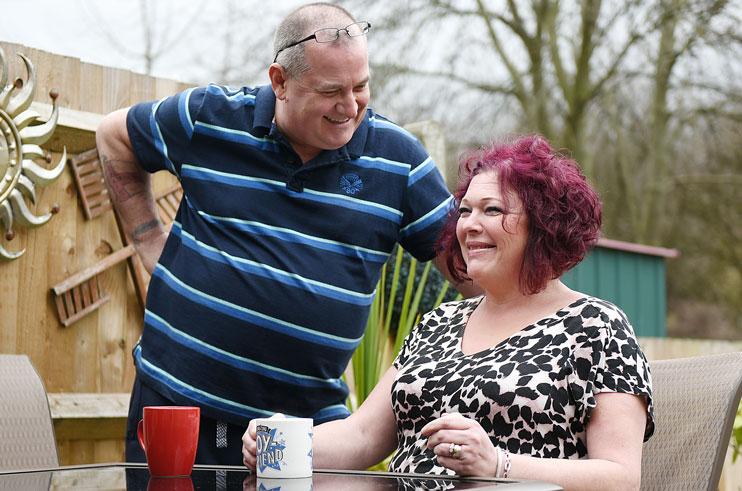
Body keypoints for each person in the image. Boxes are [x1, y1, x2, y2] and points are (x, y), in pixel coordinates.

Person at [95, 3, 473, 465]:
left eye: (361, 86)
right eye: (332, 91)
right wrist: (147, 239)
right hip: (179, 404)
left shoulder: (400, 163)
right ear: (280, 81)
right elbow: (114, 137)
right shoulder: (209, 118)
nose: (351, 106)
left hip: (298, 434)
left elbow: (472, 268)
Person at [243, 135, 655, 490]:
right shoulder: (440, 322)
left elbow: (620, 478)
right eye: (464, 211)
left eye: (491, 210)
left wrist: (498, 466)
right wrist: (284, 443)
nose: (468, 226)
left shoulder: (596, 327)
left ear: (545, 226)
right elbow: (364, 434)